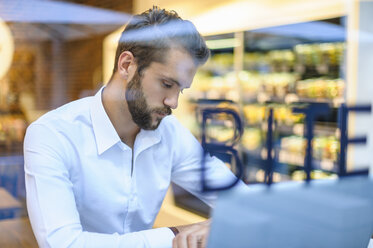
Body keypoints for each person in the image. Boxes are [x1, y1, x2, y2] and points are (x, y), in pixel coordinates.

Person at [24, 6, 240, 248]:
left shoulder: (169, 132)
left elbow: (240, 201)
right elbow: (63, 244)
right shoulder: (52, 135)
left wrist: (223, 223)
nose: (174, 102)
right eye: (166, 83)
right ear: (127, 65)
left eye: (180, 89)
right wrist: (178, 233)